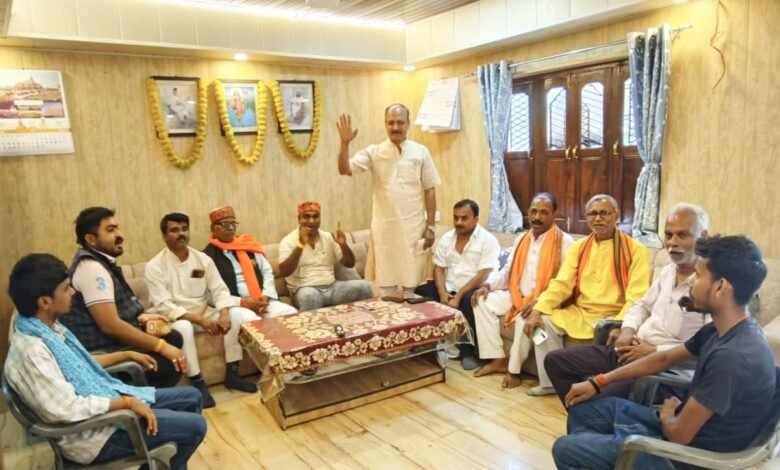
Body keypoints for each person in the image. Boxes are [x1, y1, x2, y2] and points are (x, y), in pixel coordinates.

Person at [553, 235, 775, 470]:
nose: (690, 282)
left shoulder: (731, 357)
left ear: (721, 287)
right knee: (583, 412)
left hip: (686, 458)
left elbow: (679, 435)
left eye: (698, 275)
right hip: (677, 431)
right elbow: (664, 358)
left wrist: (668, 413)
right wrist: (598, 382)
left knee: (565, 449)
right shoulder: (722, 329)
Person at [5, 253, 206, 470]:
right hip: (92, 437)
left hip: (105, 412)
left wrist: (127, 355)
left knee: (192, 397)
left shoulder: (46, 328)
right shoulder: (32, 352)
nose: (73, 292)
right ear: (44, 302)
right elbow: (66, 408)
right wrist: (126, 403)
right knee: (195, 426)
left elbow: (79, 364)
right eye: (65, 288)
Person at [545, 203, 711, 404]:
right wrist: (627, 330)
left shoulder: (712, 286)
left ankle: (591, 415)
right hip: (632, 350)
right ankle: (587, 417)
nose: (672, 242)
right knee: (556, 362)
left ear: (703, 236)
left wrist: (653, 351)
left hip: (666, 369)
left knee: (592, 400)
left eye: (682, 235)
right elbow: (641, 305)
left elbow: (707, 349)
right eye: (668, 235)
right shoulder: (668, 272)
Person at [523, 194, 650, 396]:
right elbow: (562, 284)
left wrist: (621, 324)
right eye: (592, 214)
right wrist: (538, 310)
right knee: (540, 324)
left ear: (616, 216)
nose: (597, 218)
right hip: (580, 313)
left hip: (612, 316)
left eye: (604, 213)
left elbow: (637, 296)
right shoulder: (579, 247)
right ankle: (549, 383)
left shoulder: (636, 250)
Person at [60, 207, 186, 388]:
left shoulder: (102, 262)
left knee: (173, 337)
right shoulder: (92, 268)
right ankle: (145, 402)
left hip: (110, 341)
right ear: (91, 239)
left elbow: (116, 309)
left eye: (117, 228)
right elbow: (110, 325)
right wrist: (161, 347)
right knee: (168, 366)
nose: (119, 235)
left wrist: (142, 316)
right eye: (110, 230)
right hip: (101, 349)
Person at [144, 213, 258, 408]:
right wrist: (201, 321)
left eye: (184, 229)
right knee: (184, 327)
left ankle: (233, 373)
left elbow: (220, 290)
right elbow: (163, 304)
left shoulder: (202, 259)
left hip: (204, 311)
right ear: (164, 236)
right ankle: (197, 382)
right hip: (174, 318)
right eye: (174, 230)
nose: (181, 234)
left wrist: (224, 314)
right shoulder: (155, 266)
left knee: (242, 315)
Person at [337, 105, 442, 297]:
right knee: (387, 289)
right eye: (391, 123)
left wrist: (431, 227)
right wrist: (344, 144)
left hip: (413, 229)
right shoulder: (375, 152)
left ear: (408, 124)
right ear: (385, 124)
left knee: (413, 289)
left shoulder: (421, 152)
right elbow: (344, 169)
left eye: (400, 122)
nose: (395, 127)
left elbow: (430, 189)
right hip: (385, 230)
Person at [471, 193, 574, 387]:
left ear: (554, 214)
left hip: (543, 302)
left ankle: (513, 370)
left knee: (525, 318)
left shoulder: (565, 243)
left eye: (544, 212)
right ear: (527, 212)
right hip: (516, 296)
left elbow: (564, 283)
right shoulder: (521, 239)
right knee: (480, 301)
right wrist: (487, 285)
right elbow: (507, 271)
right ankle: (497, 359)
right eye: (533, 211)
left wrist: (539, 303)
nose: (537, 217)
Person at [414, 199, 501, 370]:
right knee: (421, 293)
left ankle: (467, 353)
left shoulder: (488, 240)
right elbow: (439, 268)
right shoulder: (447, 238)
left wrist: (459, 296)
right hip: (450, 286)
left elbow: (484, 273)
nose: (459, 222)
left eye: (464, 218)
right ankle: (429, 345)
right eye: (456, 217)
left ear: (476, 219)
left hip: (475, 288)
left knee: (469, 300)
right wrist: (442, 293)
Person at [278, 201, 374, 311]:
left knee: (364, 287)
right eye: (306, 217)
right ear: (299, 219)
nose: (311, 221)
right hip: (303, 289)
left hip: (332, 287)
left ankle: (365, 321)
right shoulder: (288, 241)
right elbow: (284, 271)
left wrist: (343, 245)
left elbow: (349, 264)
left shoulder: (328, 237)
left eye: (315, 217)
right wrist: (301, 244)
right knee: (311, 297)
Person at [203, 206, 297, 317]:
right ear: (214, 228)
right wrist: (242, 302)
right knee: (250, 319)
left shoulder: (248, 245)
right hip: (235, 306)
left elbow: (267, 272)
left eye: (233, 223)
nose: (231, 228)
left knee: (291, 313)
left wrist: (266, 295)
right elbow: (209, 295)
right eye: (225, 224)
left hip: (263, 301)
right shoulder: (207, 257)